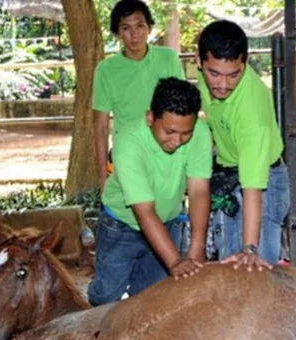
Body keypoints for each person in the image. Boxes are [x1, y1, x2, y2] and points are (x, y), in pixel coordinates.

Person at [86, 77, 212, 306]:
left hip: (168, 223)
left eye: (186, 133)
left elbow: (198, 192)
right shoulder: (128, 140)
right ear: (150, 117)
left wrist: (196, 247)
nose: (177, 141)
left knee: (152, 298)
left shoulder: (201, 133)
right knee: (106, 296)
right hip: (121, 226)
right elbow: (144, 212)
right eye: (170, 131)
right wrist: (175, 261)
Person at [196, 20, 290, 271]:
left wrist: (250, 248)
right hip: (229, 175)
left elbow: (253, 188)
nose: (223, 85)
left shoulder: (252, 112)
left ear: (245, 64)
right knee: (229, 262)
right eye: (214, 73)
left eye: (233, 75)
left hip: (263, 182)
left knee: (257, 268)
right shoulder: (204, 79)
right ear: (199, 62)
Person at [92, 0, 185, 192]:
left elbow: (183, 110)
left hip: (166, 153)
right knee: (130, 215)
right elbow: (100, 127)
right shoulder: (106, 70)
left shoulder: (168, 59)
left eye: (140, 26)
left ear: (149, 28)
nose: (134, 34)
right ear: (117, 33)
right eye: (126, 27)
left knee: (168, 215)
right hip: (128, 156)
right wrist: (102, 178)